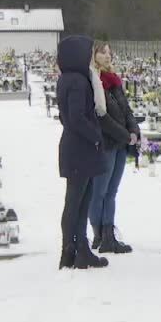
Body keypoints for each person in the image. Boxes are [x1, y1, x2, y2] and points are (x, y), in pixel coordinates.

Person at [56, 35, 108, 270]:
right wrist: (95, 136)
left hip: (76, 146)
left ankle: (80, 249)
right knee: (76, 202)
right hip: (80, 147)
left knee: (80, 202)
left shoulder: (67, 79)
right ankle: (71, 250)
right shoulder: (77, 81)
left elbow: (65, 116)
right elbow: (76, 117)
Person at [88, 42, 141, 254]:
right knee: (98, 192)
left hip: (121, 144)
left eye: (109, 52)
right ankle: (98, 234)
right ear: (94, 55)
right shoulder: (93, 81)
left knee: (112, 192)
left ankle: (109, 235)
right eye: (103, 52)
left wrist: (134, 130)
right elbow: (102, 117)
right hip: (106, 143)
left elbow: (126, 109)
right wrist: (124, 135)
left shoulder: (114, 80)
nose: (107, 56)